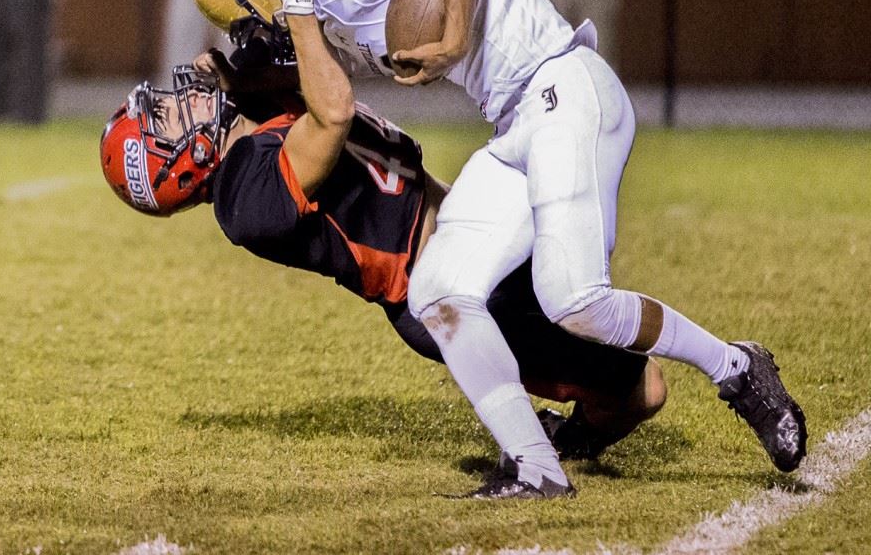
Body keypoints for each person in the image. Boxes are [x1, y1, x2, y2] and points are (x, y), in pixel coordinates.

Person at [184, 0, 807, 498]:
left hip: (563, 88)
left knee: (576, 299)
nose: (250, 34)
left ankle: (736, 367)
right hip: (517, 122)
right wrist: (241, 83)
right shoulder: (320, 3)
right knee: (436, 290)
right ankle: (538, 468)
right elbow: (311, 79)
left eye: (242, 17)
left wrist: (454, 36)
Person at [100, 47, 667, 482]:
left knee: (595, 312)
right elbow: (333, 112)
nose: (180, 102)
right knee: (645, 388)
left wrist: (253, 19)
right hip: (454, 291)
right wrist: (295, 7)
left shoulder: (251, 115)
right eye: (167, 121)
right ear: (182, 165)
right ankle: (570, 443)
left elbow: (263, 62)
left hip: (482, 232)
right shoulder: (246, 201)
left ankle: (559, 437)